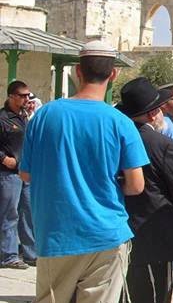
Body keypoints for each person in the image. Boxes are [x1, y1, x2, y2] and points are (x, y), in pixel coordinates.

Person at [20, 41, 148, 303]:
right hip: (106, 233)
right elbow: (136, 185)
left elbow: (26, 174)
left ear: (78, 71)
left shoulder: (45, 115)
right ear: (113, 74)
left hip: (56, 233)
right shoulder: (121, 123)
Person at [117, 78, 173, 303]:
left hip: (119, 228)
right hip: (155, 233)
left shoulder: (115, 138)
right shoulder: (161, 144)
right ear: (154, 113)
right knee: (156, 293)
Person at [0, 80, 36, 269]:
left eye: (28, 95)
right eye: (22, 95)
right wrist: (4, 158)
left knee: (28, 212)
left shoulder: (24, 117)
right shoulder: (3, 118)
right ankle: (8, 255)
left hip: (25, 173)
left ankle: (30, 253)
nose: (26, 99)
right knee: (10, 214)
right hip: (8, 174)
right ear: (11, 96)